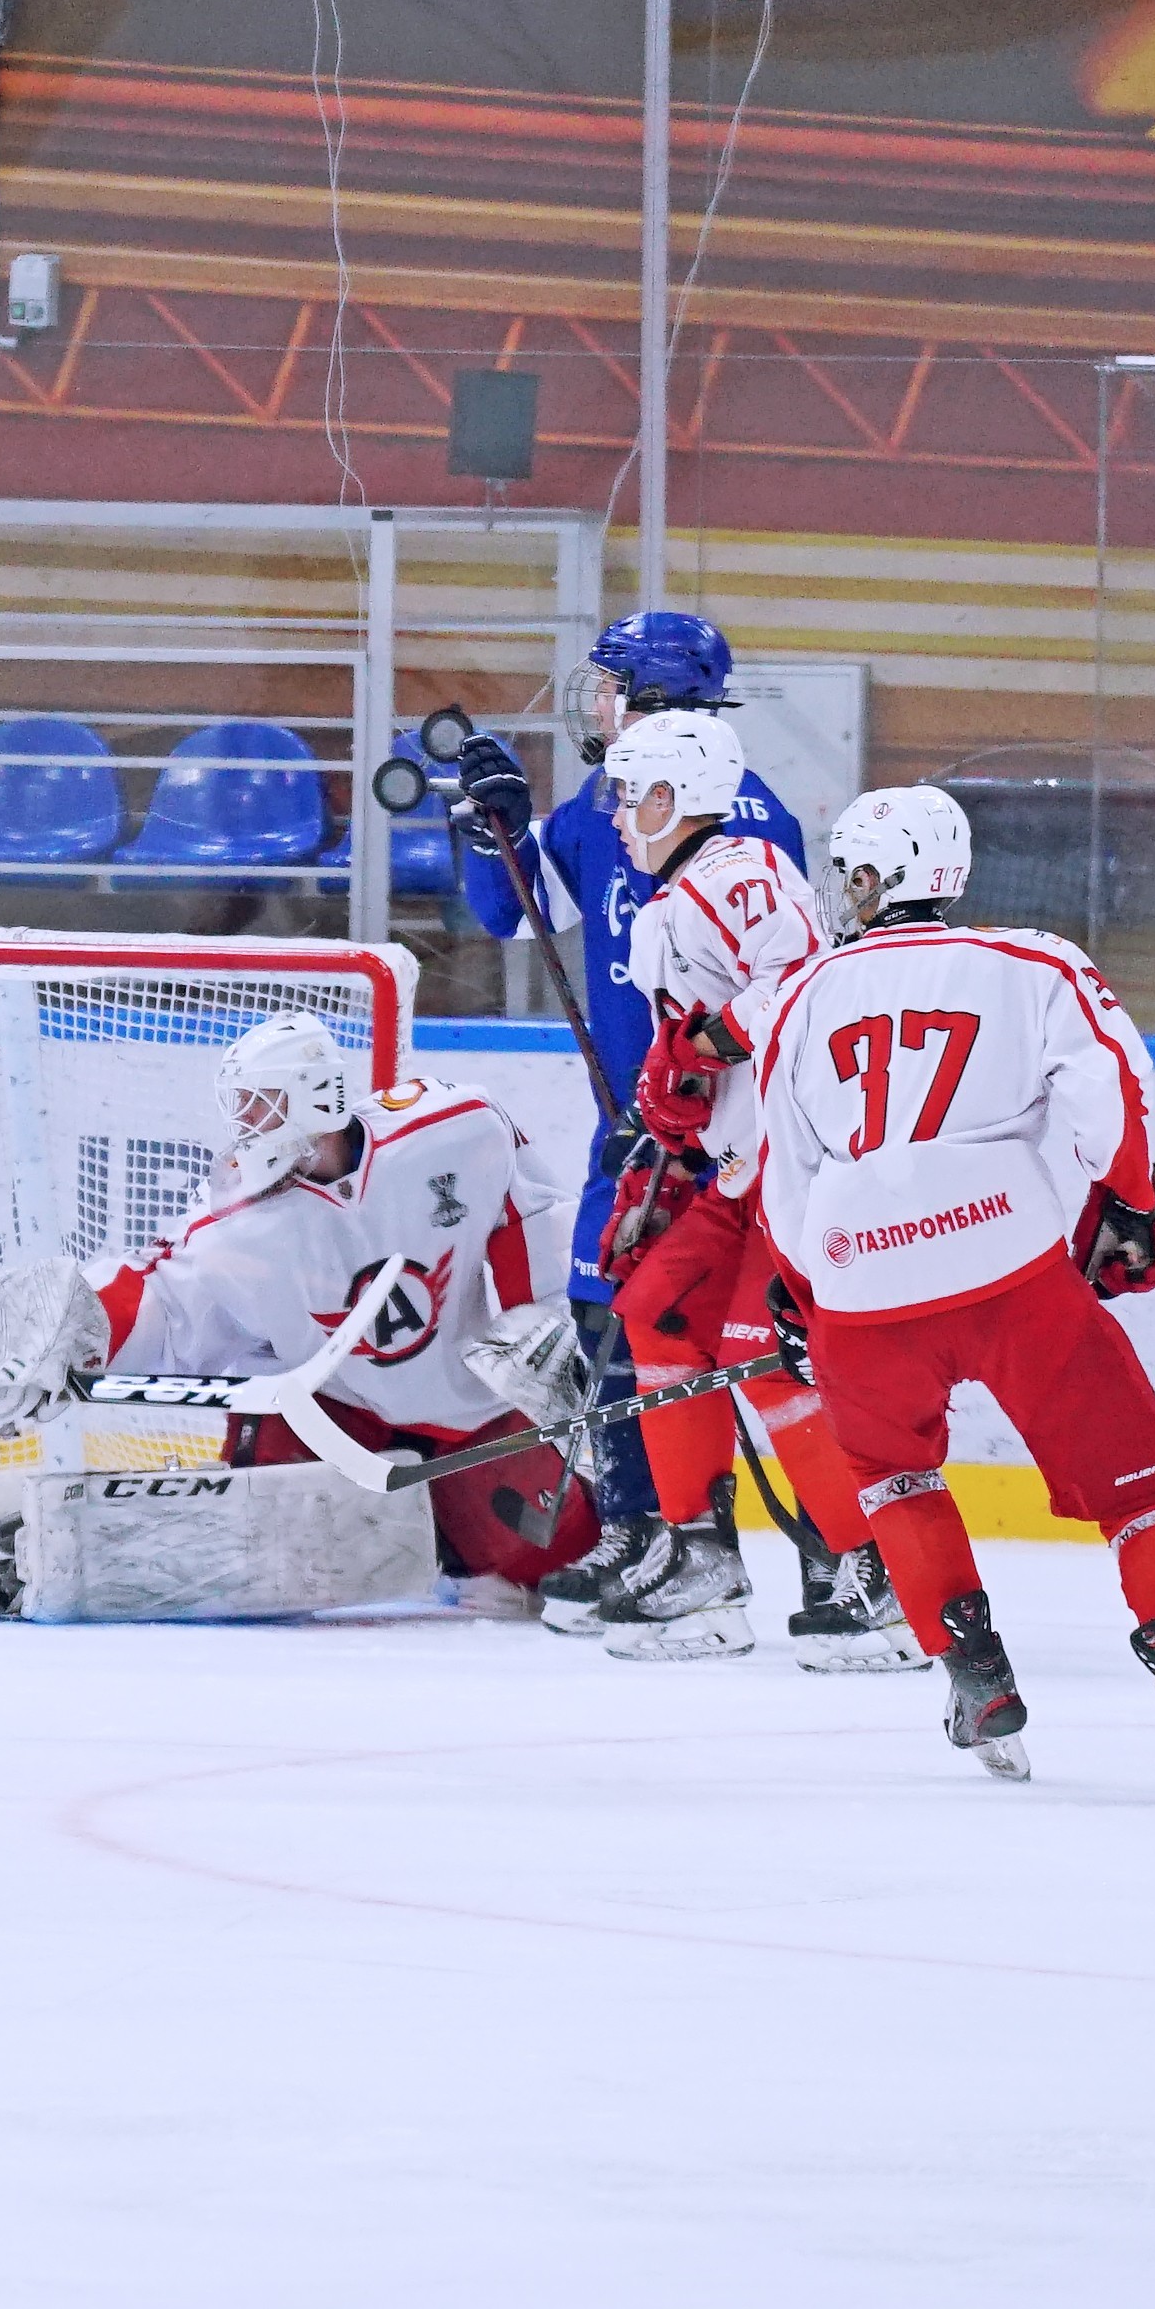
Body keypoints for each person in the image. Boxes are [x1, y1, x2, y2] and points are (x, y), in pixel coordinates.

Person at [754, 784, 1155, 1798]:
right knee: (1137, 1486)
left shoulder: (801, 993)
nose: (846, 890)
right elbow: (1109, 1092)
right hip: (1005, 1259)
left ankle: (972, 1673)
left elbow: (782, 1172)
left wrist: (801, 1292)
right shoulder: (1034, 960)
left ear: (896, 877)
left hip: (860, 1274)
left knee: (892, 1475)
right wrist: (1128, 1202)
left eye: (857, 871)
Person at [450, 610, 847, 1639]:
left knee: (758, 1337)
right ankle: (650, 1534)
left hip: (728, 1137)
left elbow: (785, 984)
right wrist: (490, 825)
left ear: (658, 697)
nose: (593, 702)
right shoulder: (600, 804)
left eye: (610, 684)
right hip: (632, 1120)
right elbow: (512, 910)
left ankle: (837, 1553)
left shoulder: (742, 818)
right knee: (617, 1308)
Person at [0, 1012, 601, 1610]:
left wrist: (534, 1320)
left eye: (260, 1104)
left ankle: (452, 1536)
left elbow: (533, 1208)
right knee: (270, 1553)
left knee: (551, 1566)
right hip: (330, 1411)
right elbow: (166, 1299)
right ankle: (100, 1548)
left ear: (318, 1096)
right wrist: (79, 1327)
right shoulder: (237, 1221)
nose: (246, 1125)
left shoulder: (449, 1130)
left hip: (475, 1407)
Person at [581, 710, 915, 1666]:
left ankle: (874, 1568)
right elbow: (699, 1052)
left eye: (627, 795)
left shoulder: (743, 873)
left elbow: (812, 986)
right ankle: (701, 1562)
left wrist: (709, 1043)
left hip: (802, 1167)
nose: (615, 815)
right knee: (654, 1309)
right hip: (738, 1169)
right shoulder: (679, 896)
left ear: (674, 796)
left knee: (755, 1353)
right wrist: (667, 1131)